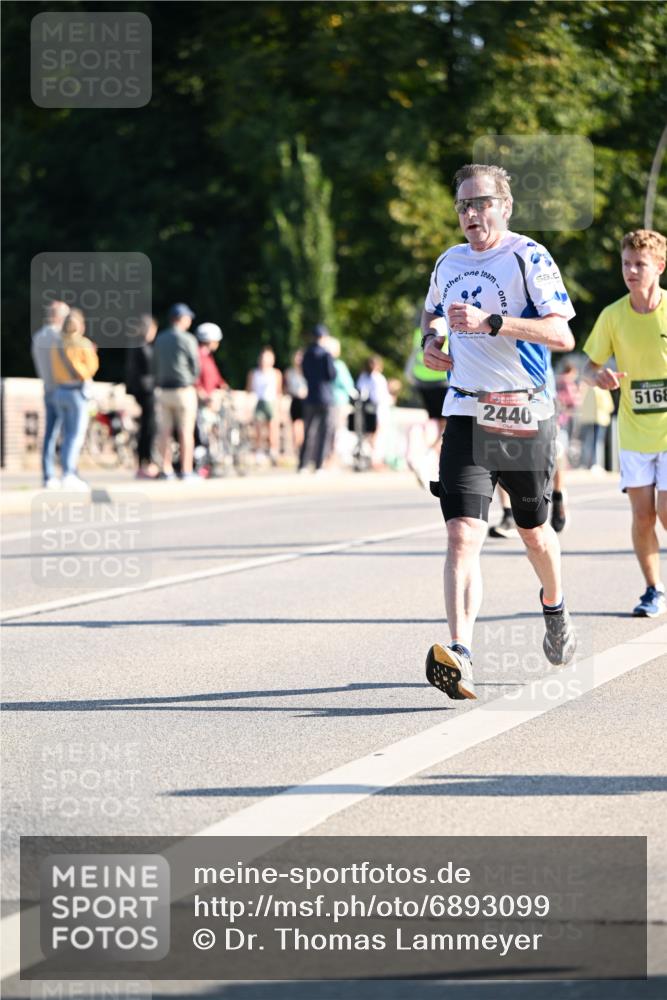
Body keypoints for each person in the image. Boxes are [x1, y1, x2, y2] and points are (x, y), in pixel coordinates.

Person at [421, 162, 577, 701]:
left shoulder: (528, 256)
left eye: (481, 202)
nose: (471, 214)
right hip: (464, 408)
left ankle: (554, 605)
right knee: (463, 531)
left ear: (504, 206)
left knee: (534, 531)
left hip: (519, 411)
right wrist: (432, 343)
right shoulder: (449, 261)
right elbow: (433, 316)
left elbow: (560, 332)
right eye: (463, 205)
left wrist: (493, 322)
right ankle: (460, 652)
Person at [583, 228, 667, 618]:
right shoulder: (612, 315)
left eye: (640, 264)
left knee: (666, 513)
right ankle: (653, 589)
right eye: (626, 264)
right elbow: (590, 366)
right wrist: (598, 377)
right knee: (642, 516)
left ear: (660, 267)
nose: (631, 271)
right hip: (634, 431)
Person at [50, 308, 99, 491]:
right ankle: (69, 473)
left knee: (65, 434)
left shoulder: (57, 344)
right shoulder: (83, 344)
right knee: (75, 435)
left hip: (60, 390)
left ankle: (66, 472)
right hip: (76, 392)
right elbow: (90, 369)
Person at [152, 302, 200, 481]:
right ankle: (186, 470)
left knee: (164, 432)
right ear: (182, 319)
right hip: (183, 390)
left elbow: (154, 365)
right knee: (185, 432)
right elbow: (195, 367)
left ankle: (166, 469)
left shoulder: (160, 338)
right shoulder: (188, 339)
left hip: (163, 390)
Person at [31, 299, 70, 488]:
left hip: (47, 388)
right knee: (68, 434)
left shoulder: (38, 336)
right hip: (63, 389)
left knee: (50, 434)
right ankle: (68, 473)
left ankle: (48, 475)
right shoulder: (60, 338)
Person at [405, 325, 450, 489]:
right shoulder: (449, 327)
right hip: (442, 379)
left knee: (436, 423)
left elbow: (414, 355)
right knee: (448, 425)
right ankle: (427, 456)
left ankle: (435, 464)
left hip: (422, 380)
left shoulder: (421, 330)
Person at [299, 324, 336, 473]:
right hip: (325, 397)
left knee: (308, 432)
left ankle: (303, 464)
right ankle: (319, 465)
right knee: (324, 433)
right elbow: (331, 375)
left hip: (311, 395)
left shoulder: (307, 354)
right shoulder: (326, 355)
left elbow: (304, 372)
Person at [125, 314, 158, 478]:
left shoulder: (136, 345)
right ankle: (147, 462)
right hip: (147, 391)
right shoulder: (143, 346)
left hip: (142, 391)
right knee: (148, 428)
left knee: (146, 427)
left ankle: (143, 462)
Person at [246, 346, 283, 465]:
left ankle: (273, 451)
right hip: (259, 401)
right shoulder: (254, 373)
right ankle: (259, 452)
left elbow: (278, 391)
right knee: (258, 428)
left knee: (273, 428)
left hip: (271, 402)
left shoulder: (276, 373)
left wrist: (278, 406)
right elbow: (250, 389)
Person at [356, 355, 392, 470]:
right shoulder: (377, 378)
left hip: (367, 409)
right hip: (378, 409)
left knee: (370, 435)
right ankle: (375, 460)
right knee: (377, 435)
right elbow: (380, 397)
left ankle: (371, 459)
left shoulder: (363, 377)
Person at [327, 336, 355, 466]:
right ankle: (333, 457)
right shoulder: (338, 365)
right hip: (339, 402)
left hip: (328, 401)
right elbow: (348, 384)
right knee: (337, 430)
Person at [284, 349, 308, 456]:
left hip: (306, 402)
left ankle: (303, 449)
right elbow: (286, 388)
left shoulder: (308, 371)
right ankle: (297, 449)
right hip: (295, 400)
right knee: (295, 426)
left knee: (303, 426)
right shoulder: (290, 372)